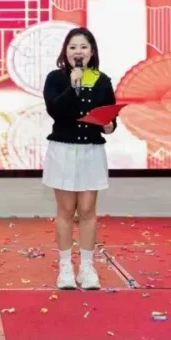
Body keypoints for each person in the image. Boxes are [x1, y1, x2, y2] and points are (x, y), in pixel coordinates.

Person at [42, 27, 116, 290]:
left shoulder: (102, 80)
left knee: (87, 210)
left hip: (91, 151)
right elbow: (55, 110)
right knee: (65, 210)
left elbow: (110, 119)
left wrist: (109, 125)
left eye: (83, 47)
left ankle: (87, 267)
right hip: (63, 149)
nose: (78, 52)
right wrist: (73, 85)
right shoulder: (56, 78)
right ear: (65, 51)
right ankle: (65, 268)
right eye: (73, 47)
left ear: (91, 52)